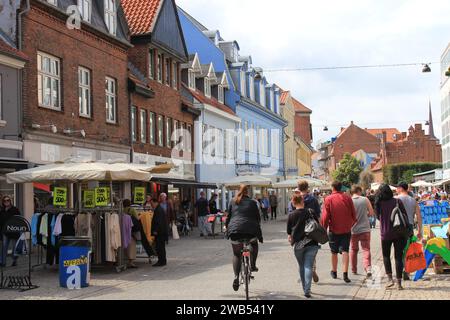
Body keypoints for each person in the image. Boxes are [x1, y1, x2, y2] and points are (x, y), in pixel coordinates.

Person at [226, 184, 263, 292]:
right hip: (250, 231)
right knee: (254, 243)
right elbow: (257, 217)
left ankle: (236, 277)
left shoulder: (233, 201)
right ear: (248, 192)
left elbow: (228, 216)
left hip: (235, 230)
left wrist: (227, 226)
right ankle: (253, 265)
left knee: (236, 254)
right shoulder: (253, 202)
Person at [321, 181, 357, 283]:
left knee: (334, 252)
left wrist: (324, 228)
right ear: (341, 188)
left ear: (333, 188)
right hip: (346, 229)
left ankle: (334, 271)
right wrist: (349, 225)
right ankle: (345, 274)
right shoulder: (347, 198)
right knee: (345, 250)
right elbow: (354, 215)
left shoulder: (328, 199)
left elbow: (325, 216)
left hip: (333, 230)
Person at [375, 184, 409, 290]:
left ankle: (390, 279)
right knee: (398, 257)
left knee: (386, 256)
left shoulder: (379, 203)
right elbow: (405, 216)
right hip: (398, 233)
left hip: (385, 233)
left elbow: (378, 217)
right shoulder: (397, 201)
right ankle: (399, 283)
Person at [287, 194, 320, 298]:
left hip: (298, 245)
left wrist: (290, 237)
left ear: (293, 203)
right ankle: (307, 290)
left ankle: (304, 287)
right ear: (303, 201)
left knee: (302, 266)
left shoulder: (291, 215)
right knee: (308, 266)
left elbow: (289, 232)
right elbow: (317, 225)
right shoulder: (311, 212)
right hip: (312, 243)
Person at [396, 182, 423, 281]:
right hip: (410, 227)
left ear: (400, 188)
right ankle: (406, 270)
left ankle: (400, 270)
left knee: (399, 250)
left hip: (398, 227)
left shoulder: (396, 199)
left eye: (397, 188)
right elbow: (419, 217)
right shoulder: (413, 200)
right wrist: (420, 230)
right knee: (408, 250)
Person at [297, 180, 322, 283]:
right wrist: (320, 227)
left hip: (300, 230)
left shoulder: (296, 199)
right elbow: (319, 216)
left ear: (298, 188)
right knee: (312, 253)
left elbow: (292, 214)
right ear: (307, 188)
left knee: (300, 254)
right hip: (312, 230)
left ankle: (304, 274)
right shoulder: (313, 199)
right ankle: (312, 269)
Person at [350, 185, 374, 278]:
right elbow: (371, 213)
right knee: (366, 249)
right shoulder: (365, 199)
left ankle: (354, 269)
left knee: (353, 250)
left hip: (353, 230)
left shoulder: (349, 201)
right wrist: (365, 214)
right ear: (359, 191)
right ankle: (368, 268)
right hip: (365, 229)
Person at [0, 196, 21, 267]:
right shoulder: (1, 210)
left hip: (13, 231)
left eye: (8, 200)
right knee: (4, 247)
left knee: (14, 248)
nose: (6, 202)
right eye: (5, 201)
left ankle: (14, 260)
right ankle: (2, 262)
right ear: (3, 202)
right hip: (5, 231)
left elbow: (19, 219)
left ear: (10, 201)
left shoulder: (15, 209)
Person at [151, 197, 168, 266]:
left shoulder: (158, 210)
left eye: (152, 204)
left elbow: (158, 222)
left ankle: (161, 261)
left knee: (159, 247)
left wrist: (155, 230)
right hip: (161, 231)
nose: (151, 205)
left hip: (160, 232)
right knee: (161, 247)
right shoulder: (159, 209)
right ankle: (162, 261)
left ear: (155, 203)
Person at [123, 199, 138, 268]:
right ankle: (131, 262)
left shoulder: (121, 210)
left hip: (123, 230)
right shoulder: (132, 210)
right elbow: (137, 219)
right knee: (131, 246)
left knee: (124, 245)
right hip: (131, 230)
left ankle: (123, 259)